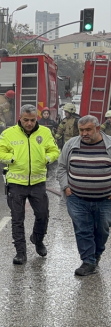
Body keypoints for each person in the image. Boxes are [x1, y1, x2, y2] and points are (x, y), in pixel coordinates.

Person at [0, 104, 60, 265]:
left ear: (36, 118)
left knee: (43, 215)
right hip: (16, 184)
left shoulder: (44, 132)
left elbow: (54, 150)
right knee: (17, 219)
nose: (29, 123)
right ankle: (20, 253)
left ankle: (37, 240)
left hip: (38, 183)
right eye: (26, 120)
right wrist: (12, 158)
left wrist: (46, 158)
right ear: (20, 118)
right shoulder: (8, 133)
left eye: (32, 120)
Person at [57, 115, 111, 276]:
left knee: (102, 230)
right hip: (77, 199)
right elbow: (61, 168)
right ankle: (88, 261)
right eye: (81, 130)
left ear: (97, 128)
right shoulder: (71, 145)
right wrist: (66, 187)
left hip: (105, 200)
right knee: (83, 230)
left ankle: (96, 254)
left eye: (88, 129)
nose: (84, 133)